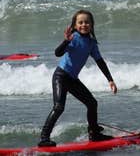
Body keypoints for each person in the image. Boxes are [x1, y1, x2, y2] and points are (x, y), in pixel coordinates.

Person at [38, 10, 117, 147]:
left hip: (72, 79)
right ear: (75, 25)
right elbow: (57, 53)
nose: (84, 24)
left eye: (87, 22)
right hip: (61, 76)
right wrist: (65, 41)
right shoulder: (72, 37)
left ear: (92, 25)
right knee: (58, 107)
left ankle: (94, 134)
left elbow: (100, 61)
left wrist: (110, 80)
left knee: (92, 103)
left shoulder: (92, 43)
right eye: (80, 22)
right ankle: (44, 138)